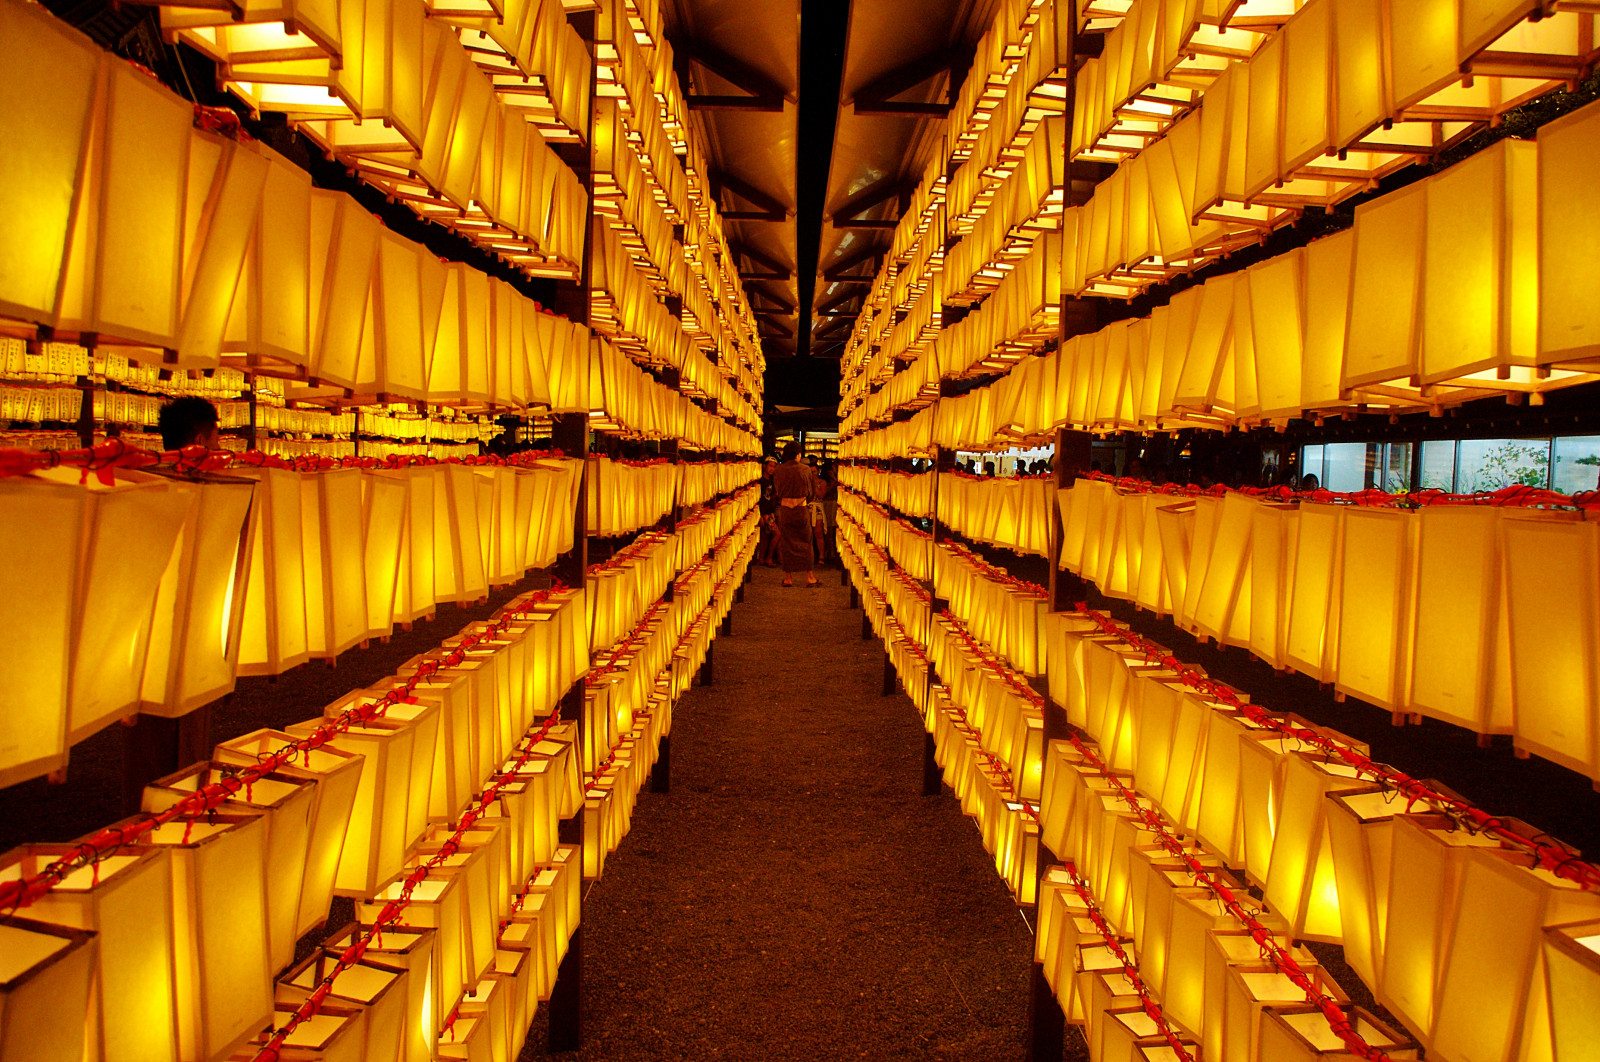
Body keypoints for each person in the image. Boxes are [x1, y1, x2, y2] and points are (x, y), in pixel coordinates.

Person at [773, 441, 819, 587]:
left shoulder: (779, 470)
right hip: (801, 508)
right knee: (806, 541)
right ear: (798, 455)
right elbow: (810, 492)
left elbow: (777, 490)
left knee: (786, 541)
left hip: (785, 509)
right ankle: (809, 576)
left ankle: (788, 577)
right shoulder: (805, 469)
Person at [757, 457, 780, 567]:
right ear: (765, 466)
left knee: (766, 535)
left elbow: (773, 496)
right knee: (776, 534)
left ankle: (762, 558)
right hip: (763, 511)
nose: (772, 469)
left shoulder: (772, 481)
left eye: (774, 467)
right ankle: (768, 558)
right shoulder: (760, 481)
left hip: (769, 511)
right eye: (770, 466)